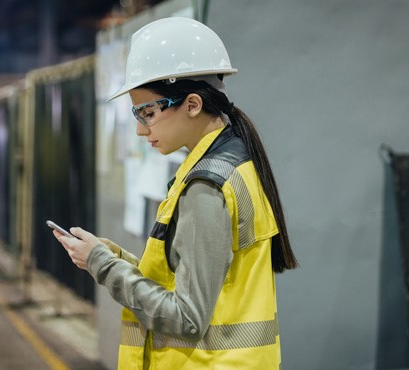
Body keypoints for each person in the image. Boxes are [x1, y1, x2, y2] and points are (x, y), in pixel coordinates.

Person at [52, 17, 298, 369]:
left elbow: (187, 318)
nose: (140, 130)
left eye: (148, 113)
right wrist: (116, 257)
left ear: (193, 104)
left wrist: (102, 265)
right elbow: (188, 281)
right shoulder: (233, 162)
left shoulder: (206, 188)